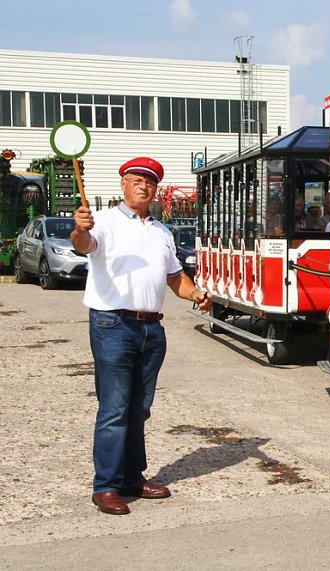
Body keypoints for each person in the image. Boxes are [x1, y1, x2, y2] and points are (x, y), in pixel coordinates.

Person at [71, 156, 212, 516]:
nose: (143, 187)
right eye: (136, 180)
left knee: (139, 408)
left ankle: (132, 477)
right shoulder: (102, 221)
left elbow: (175, 278)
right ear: (123, 184)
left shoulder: (161, 232)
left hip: (151, 329)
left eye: (149, 182)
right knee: (115, 408)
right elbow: (84, 245)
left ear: (155, 190)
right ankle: (106, 486)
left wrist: (196, 293)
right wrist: (80, 229)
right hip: (112, 325)